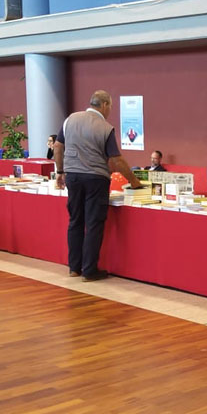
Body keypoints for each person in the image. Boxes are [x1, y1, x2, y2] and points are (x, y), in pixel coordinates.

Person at [54, 90, 142, 282]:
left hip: (73, 177)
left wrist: (60, 171)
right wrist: (135, 182)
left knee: (75, 220)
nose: (110, 110)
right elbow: (116, 160)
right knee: (94, 223)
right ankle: (89, 270)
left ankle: (74, 267)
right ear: (104, 105)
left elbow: (58, 146)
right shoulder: (105, 127)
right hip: (95, 179)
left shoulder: (70, 119)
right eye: (110, 106)